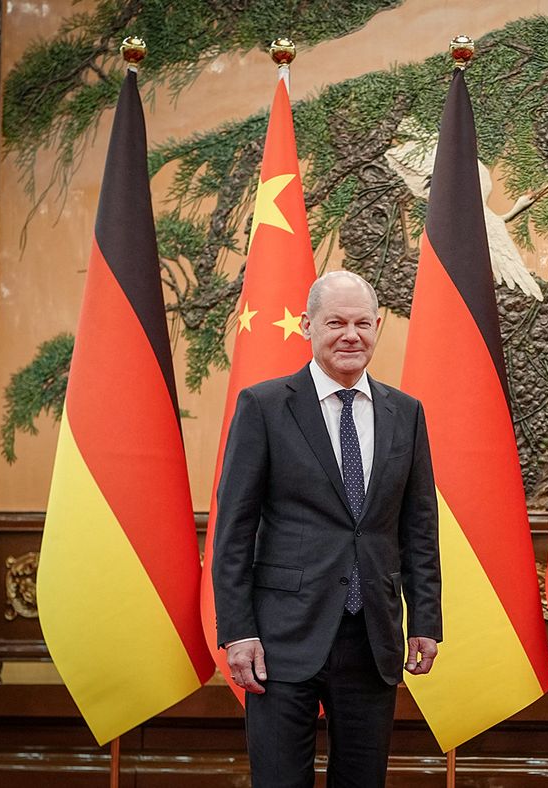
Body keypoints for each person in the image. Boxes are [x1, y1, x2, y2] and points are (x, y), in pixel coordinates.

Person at [212, 270, 442, 787]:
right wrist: (238, 632)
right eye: (335, 322)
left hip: (373, 638)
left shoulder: (405, 413)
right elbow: (233, 531)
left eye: (362, 323)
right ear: (306, 325)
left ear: (378, 326)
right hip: (280, 640)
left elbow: (419, 527)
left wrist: (425, 618)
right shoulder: (265, 406)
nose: (350, 335)